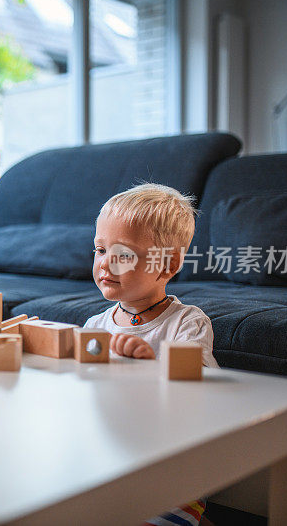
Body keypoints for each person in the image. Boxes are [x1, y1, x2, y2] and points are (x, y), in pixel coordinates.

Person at [84, 182, 218, 526]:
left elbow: (202, 389)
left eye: (123, 255)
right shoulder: (95, 324)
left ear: (167, 265)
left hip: (167, 471)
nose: (105, 264)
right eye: (100, 250)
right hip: (107, 461)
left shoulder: (187, 322)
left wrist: (150, 365)